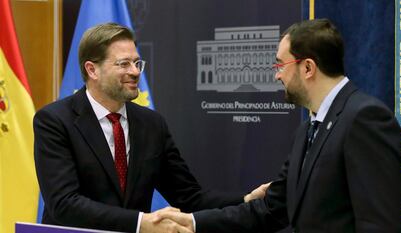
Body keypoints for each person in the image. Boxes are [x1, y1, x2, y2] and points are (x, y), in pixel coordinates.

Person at [155, 18, 401, 233]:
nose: (276, 75)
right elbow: (272, 208)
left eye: (280, 65)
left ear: (308, 67)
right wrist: (194, 222)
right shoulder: (308, 128)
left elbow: (381, 225)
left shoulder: (364, 119)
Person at [33, 23, 268, 233]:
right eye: (123, 64)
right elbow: (64, 204)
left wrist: (246, 199)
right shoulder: (54, 121)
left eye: (137, 63)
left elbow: (188, 196)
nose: (135, 72)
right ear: (92, 70)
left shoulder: (151, 124)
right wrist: (140, 223)